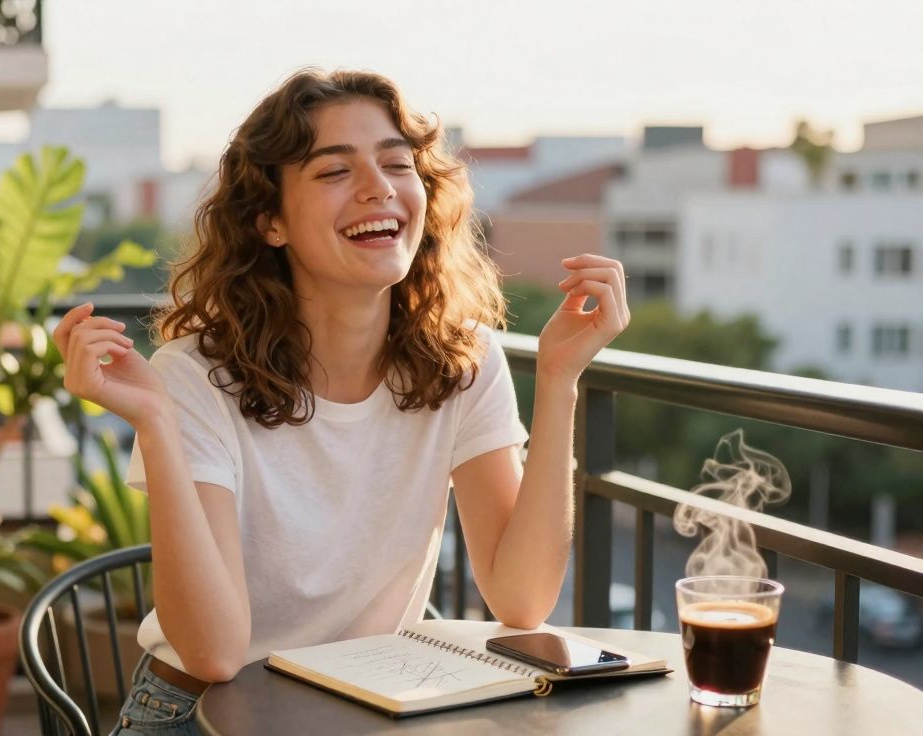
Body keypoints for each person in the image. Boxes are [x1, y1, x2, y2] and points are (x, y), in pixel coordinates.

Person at [53, 68, 630, 736]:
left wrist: (560, 381)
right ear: (270, 220)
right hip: (198, 714)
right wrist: (153, 423)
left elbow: (522, 599)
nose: (379, 187)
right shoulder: (190, 377)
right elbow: (213, 653)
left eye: (396, 164)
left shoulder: (464, 362)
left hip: (367, 707)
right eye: (333, 172)